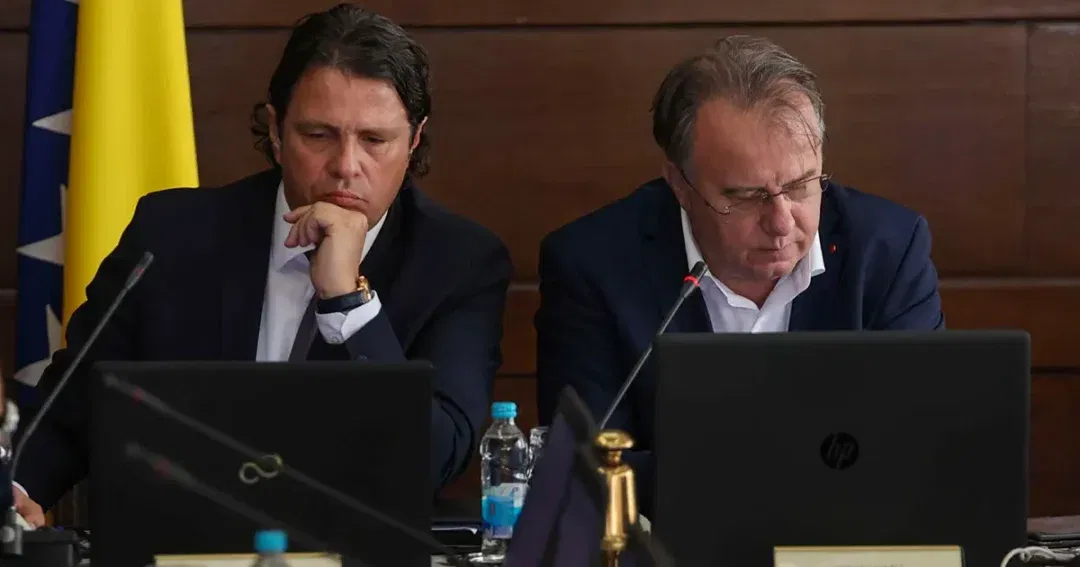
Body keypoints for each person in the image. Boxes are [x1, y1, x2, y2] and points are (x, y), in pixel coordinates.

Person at [12, 3, 512, 524]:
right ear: (276, 131)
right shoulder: (171, 236)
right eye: (317, 135)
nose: (346, 166)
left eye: (374, 140)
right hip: (180, 543)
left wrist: (348, 301)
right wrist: (19, 488)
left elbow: (435, 458)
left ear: (413, 140)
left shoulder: (458, 263)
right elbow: (72, 406)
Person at [534, 35, 944, 515]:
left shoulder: (888, 250)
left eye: (801, 186)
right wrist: (807, 468)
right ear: (679, 184)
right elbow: (589, 470)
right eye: (748, 196)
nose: (782, 222)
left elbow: (922, 442)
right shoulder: (593, 265)